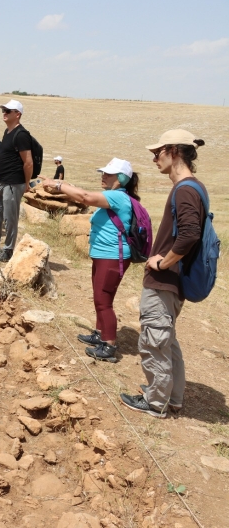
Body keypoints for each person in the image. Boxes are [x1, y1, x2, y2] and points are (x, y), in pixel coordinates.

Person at [118, 130, 207, 418]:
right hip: (174, 283)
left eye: (158, 153)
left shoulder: (185, 189)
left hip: (165, 281)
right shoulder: (193, 187)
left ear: (174, 151)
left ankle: (156, 402)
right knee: (166, 339)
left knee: (154, 340)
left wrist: (162, 263)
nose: (155, 159)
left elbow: (190, 233)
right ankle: (174, 398)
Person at [41, 158, 140, 363]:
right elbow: (82, 191)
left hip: (112, 256)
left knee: (104, 300)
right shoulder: (114, 195)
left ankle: (109, 345)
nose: (103, 176)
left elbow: (84, 197)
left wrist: (57, 185)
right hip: (104, 255)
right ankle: (99, 333)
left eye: (109, 174)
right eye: (103, 172)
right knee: (99, 297)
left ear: (121, 179)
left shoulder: (117, 197)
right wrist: (58, 183)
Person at [0, 99, 32, 262]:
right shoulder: (7, 132)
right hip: (1, 181)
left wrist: (26, 183)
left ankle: (8, 249)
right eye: (3, 110)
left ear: (17, 114)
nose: (4, 112)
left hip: (13, 182)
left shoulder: (22, 134)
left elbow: (28, 161)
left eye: (8, 111)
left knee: (10, 217)